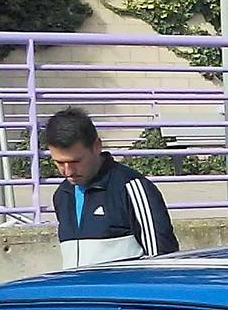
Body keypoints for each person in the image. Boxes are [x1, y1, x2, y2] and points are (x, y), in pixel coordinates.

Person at [43, 107, 177, 267]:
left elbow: (163, 263)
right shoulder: (62, 195)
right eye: (59, 163)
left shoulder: (132, 188)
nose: (68, 171)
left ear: (97, 146)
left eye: (75, 162)